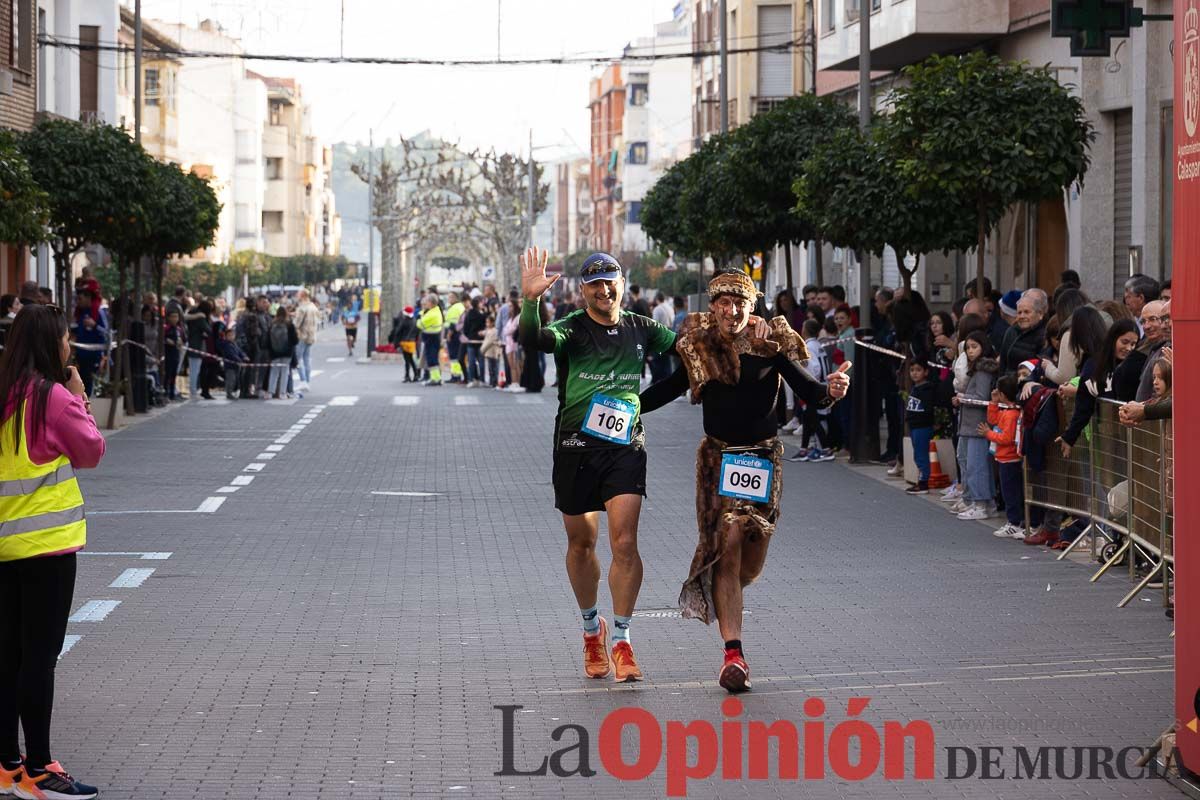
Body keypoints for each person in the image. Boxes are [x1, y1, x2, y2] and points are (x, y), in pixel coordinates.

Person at [639, 271, 849, 692]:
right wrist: (629, 408)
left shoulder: (770, 346)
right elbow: (668, 388)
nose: (731, 311)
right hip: (717, 459)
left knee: (749, 560)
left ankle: (730, 592)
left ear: (752, 308)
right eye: (723, 303)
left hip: (761, 460)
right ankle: (733, 653)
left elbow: (810, 391)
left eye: (740, 304)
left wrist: (833, 391)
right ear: (712, 305)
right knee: (727, 544)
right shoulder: (700, 348)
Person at [517, 248, 678, 683]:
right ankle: (593, 630)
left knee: (624, 541)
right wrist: (530, 302)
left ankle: (623, 640)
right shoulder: (572, 329)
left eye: (611, 281)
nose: (604, 290)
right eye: (594, 284)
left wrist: (644, 405)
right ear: (584, 291)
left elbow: (690, 355)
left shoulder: (643, 328)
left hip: (625, 446)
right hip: (575, 447)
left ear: (622, 284)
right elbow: (532, 340)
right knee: (582, 543)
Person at [0, 304, 105, 800]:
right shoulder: (54, 399)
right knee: (39, 660)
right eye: (65, 338)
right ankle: (40, 770)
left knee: (7, 656)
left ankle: (6, 766)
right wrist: (80, 398)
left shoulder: (4, 396)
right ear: (50, 344)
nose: (69, 345)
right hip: (46, 548)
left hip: (2, 547)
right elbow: (90, 453)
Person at [949, 331, 999, 519]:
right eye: (968, 347)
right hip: (970, 424)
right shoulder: (977, 369)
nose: (970, 351)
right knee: (972, 464)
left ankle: (980, 504)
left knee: (977, 466)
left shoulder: (983, 370)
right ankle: (985, 503)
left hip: (978, 425)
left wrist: (963, 398)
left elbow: (982, 397)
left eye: (974, 347)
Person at [983, 376, 1025, 539]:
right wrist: (993, 403)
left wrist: (989, 434)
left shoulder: (1011, 414)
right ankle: (1014, 521)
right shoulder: (1008, 412)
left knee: (1011, 493)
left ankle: (1014, 522)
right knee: (1010, 492)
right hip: (1004, 458)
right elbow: (993, 419)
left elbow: (1006, 438)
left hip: (1009, 458)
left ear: (1003, 394)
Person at [904, 360, 937, 495]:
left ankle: (923, 483)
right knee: (918, 454)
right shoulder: (915, 388)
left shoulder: (927, 390)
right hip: (914, 426)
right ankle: (921, 481)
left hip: (922, 426)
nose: (915, 373)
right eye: (912, 370)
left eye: (918, 370)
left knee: (921, 455)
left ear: (926, 372)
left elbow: (929, 409)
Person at [998, 289, 1048, 373]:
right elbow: (1003, 364)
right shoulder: (1011, 331)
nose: (1022, 316)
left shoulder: (1045, 335)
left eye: (1027, 312)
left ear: (1040, 314)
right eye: (1019, 312)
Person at [266, 307, 298, 399]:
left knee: (274, 372)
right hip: (287, 353)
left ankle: (270, 392)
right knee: (285, 372)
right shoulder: (289, 325)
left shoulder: (272, 324)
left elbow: (268, 340)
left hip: (274, 353)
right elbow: (295, 340)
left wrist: (270, 350)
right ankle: (282, 393)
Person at [185, 300, 214, 400]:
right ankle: (193, 392)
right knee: (194, 371)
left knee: (194, 370)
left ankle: (193, 391)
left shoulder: (193, 313)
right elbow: (208, 330)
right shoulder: (201, 317)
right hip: (196, 345)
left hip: (191, 343)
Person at [293, 289, 319, 390]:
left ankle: (303, 380)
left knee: (298, 358)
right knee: (307, 359)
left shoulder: (301, 308)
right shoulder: (313, 306)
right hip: (311, 335)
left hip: (302, 335)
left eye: (298, 294)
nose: (296, 295)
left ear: (302, 296)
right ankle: (307, 381)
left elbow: (297, 324)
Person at [417, 296, 444, 386]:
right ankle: (436, 378)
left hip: (431, 338)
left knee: (431, 359)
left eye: (427, 302)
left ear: (431, 303)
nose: (426, 303)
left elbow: (420, 324)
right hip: (433, 337)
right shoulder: (435, 310)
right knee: (433, 358)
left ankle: (435, 378)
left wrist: (419, 318)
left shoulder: (432, 314)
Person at [461, 296, 487, 387]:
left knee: (471, 362)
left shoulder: (469, 314)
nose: (482, 304)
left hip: (471, 340)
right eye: (481, 302)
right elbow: (486, 325)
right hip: (480, 340)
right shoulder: (482, 314)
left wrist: (470, 336)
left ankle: (472, 379)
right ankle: (482, 380)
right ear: (477, 304)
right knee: (481, 361)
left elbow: (465, 328)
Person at [217, 328, 250, 400]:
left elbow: (240, 351)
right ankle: (229, 393)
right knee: (230, 380)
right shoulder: (226, 345)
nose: (231, 337)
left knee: (235, 380)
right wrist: (240, 361)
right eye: (229, 335)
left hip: (236, 366)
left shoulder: (234, 344)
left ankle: (232, 392)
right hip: (229, 367)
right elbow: (232, 355)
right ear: (226, 336)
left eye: (232, 335)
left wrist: (244, 356)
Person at [443, 292, 466, 384]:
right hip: (457, 334)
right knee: (455, 355)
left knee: (454, 355)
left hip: (454, 334)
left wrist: (449, 333)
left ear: (456, 298)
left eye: (450, 297)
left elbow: (454, 322)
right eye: (448, 297)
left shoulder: (455, 308)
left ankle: (456, 375)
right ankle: (456, 375)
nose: (449, 299)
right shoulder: (458, 307)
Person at [163, 310, 184, 401]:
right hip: (168, 354)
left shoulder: (179, 329)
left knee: (174, 374)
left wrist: (180, 343)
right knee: (168, 374)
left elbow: (182, 341)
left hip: (176, 354)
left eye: (176, 317)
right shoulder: (166, 328)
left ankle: (172, 392)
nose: (175, 319)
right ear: (168, 318)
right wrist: (167, 341)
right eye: (173, 316)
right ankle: (166, 392)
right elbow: (162, 339)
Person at [480, 315, 503, 388]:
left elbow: (489, 342)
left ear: (493, 323)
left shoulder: (495, 331)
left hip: (494, 352)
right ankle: (491, 381)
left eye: (488, 322)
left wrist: (482, 350)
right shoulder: (488, 330)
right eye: (486, 322)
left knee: (495, 367)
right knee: (490, 368)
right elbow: (483, 333)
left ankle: (494, 381)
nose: (487, 324)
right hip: (489, 353)